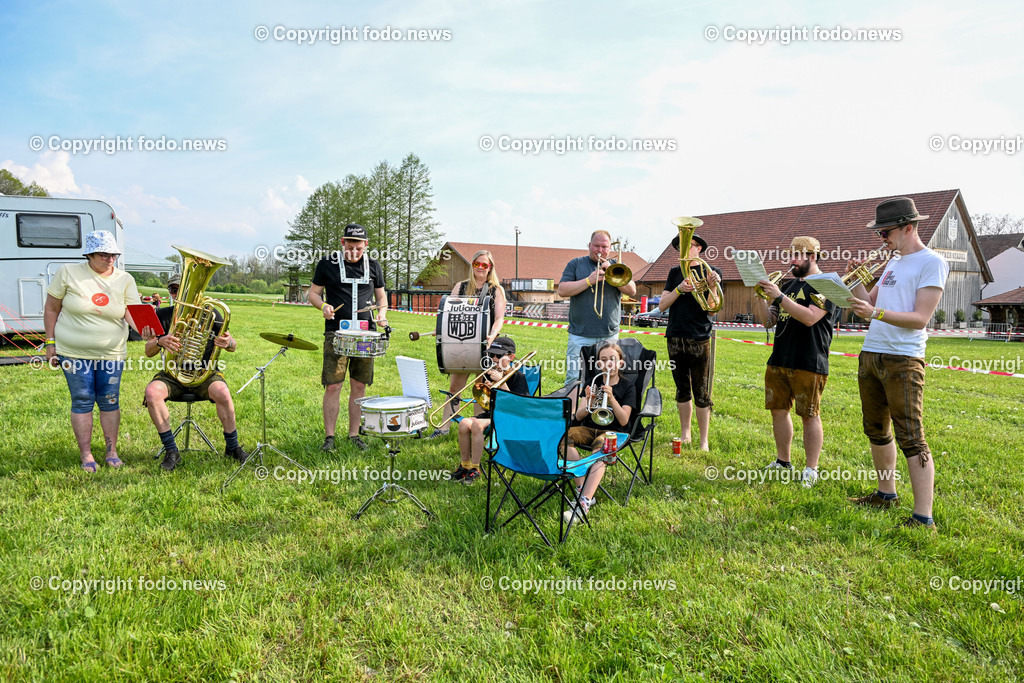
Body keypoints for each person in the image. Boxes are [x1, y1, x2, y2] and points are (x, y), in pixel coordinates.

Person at [846, 197, 948, 531]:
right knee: (875, 429)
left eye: (885, 232)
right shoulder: (892, 263)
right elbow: (868, 304)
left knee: (912, 437)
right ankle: (885, 494)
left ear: (908, 227)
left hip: (904, 358)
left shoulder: (932, 262)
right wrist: (853, 281)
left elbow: (920, 318)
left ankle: (924, 517)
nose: (881, 239)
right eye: (879, 233)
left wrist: (874, 312)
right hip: (871, 353)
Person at [43, 230, 141, 472]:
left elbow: (132, 312)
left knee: (109, 400)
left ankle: (111, 452)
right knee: (82, 399)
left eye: (114, 255)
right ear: (89, 254)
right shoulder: (68, 273)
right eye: (104, 255)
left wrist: (145, 329)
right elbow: (51, 309)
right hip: (72, 352)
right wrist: (50, 343)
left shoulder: (125, 279)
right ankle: (86, 454)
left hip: (112, 353)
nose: (110, 260)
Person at [142, 273, 247, 472]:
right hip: (172, 374)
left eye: (182, 290)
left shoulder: (212, 314)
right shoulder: (163, 315)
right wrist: (159, 341)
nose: (178, 294)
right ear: (170, 293)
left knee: (223, 392)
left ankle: (232, 447)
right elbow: (148, 352)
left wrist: (228, 343)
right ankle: (171, 451)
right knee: (152, 392)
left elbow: (233, 345)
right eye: (174, 290)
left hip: (204, 374)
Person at [756, 236, 836, 487]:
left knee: (809, 415)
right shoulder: (789, 285)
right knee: (778, 411)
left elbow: (810, 317)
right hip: (780, 357)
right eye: (791, 255)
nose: (792, 261)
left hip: (809, 359)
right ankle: (783, 461)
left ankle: (811, 468)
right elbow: (768, 321)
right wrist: (760, 295)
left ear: (812, 257)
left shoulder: (828, 283)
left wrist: (779, 297)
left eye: (797, 256)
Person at [307, 223, 388, 452]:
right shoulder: (327, 264)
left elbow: (382, 298)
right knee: (333, 385)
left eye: (359, 247)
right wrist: (322, 305)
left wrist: (381, 315)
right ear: (343, 243)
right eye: (350, 246)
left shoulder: (373, 266)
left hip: (365, 334)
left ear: (366, 245)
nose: (354, 251)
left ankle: (354, 435)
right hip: (336, 331)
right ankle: (329, 437)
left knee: (359, 386)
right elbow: (313, 292)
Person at [427, 249, 507, 438]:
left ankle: (476, 428)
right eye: (477, 264)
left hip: (486, 347)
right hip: (460, 345)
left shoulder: (496, 289)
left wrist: (492, 335)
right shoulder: (460, 287)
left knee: (480, 388)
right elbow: (449, 315)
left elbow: (499, 319)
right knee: (455, 388)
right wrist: (441, 330)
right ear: (472, 265)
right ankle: (444, 427)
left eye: (484, 265)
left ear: (490, 268)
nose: (480, 268)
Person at [658, 231, 722, 451]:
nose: (685, 250)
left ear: (699, 248)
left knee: (702, 391)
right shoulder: (675, 272)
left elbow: (712, 310)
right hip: (675, 336)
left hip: (699, 337)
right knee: (681, 388)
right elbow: (663, 305)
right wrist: (679, 289)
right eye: (681, 247)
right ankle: (686, 434)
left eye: (690, 245)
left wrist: (712, 285)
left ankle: (704, 439)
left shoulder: (711, 271)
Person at [561, 342, 637, 520]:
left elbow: (624, 420)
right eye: (603, 360)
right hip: (588, 427)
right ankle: (582, 488)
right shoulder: (592, 382)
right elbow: (578, 416)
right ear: (598, 364)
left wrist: (611, 398)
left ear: (620, 363)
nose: (608, 363)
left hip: (613, 431)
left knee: (601, 451)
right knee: (563, 439)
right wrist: (588, 401)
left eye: (613, 359)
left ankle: (584, 503)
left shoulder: (628, 387)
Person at [557, 230, 637, 387]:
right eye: (596, 246)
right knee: (575, 380)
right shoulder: (576, 264)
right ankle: (574, 411)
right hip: (580, 335)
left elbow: (632, 290)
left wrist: (613, 274)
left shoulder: (617, 267)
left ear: (610, 249)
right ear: (589, 245)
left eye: (604, 247)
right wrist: (588, 281)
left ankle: (602, 411)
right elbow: (562, 290)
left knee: (608, 380)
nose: (600, 250)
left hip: (609, 335)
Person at [450, 336, 529, 485]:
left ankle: (475, 468)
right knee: (463, 424)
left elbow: (520, 407)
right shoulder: (490, 372)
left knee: (475, 425)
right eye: (491, 355)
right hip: (491, 414)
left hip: (509, 417)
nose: (494, 359)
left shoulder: (519, 377)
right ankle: (464, 465)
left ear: (511, 357)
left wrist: (502, 383)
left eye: (499, 356)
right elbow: (485, 403)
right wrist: (488, 388)